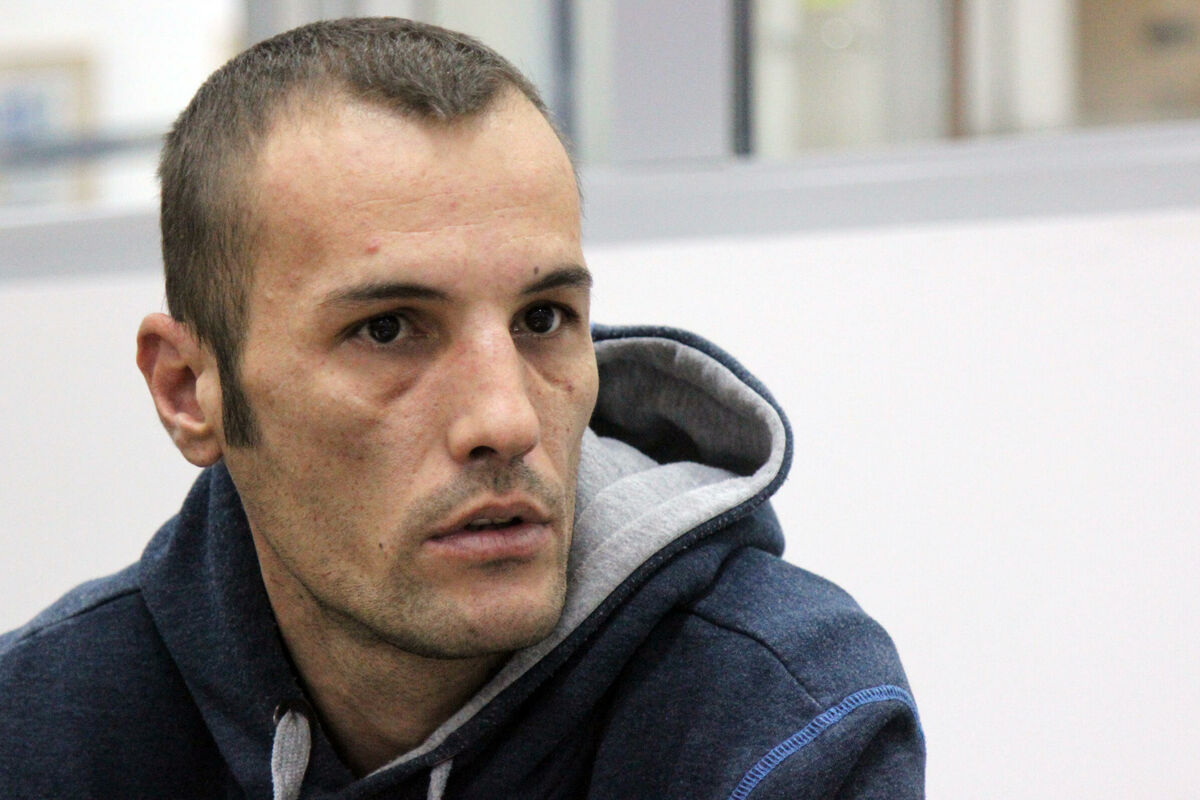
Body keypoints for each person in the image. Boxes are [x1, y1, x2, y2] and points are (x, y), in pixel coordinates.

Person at [0, 17, 923, 800]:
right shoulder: (38, 729)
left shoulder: (781, 716)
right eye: (388, 330)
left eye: (543, 319)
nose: (507, 422)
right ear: (187, 390)